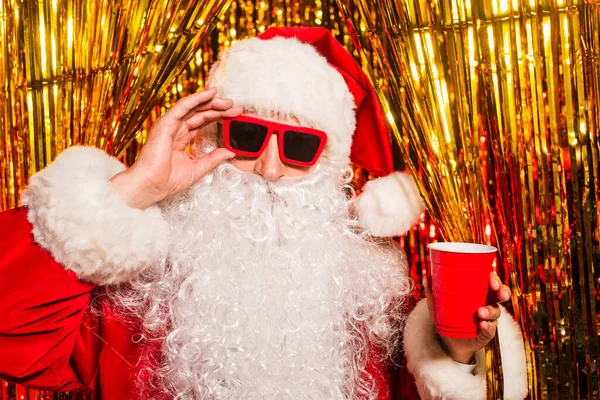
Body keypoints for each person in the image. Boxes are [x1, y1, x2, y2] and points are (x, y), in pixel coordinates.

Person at [0, 27, 527, 399]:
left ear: (330, 164)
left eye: (299, 145)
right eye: (248, 135)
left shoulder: (372, 303)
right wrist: (135, 188)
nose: (269, 169)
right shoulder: (132, 297)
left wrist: (454, 353)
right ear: (209, 137)